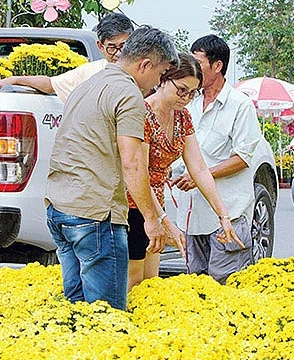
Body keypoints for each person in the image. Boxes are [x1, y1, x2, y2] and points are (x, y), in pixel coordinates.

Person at [45, 26, 179, 310]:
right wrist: (151, 221)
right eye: (160, 74)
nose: (157, 83)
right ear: (145, 64)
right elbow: (133, 164)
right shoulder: (128, 94)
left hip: (60, 208)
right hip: (95, 215)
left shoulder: (89, 84)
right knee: (106, 317)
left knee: (77, 313)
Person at [127, 53, 242, 291]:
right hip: (133, 202)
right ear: (163, 80)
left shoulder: (182, 117)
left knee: (151, 284)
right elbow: (139, 173)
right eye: (181, 90)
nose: (186, 98)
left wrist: (223, 215)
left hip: (154, 203)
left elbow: (199, 168)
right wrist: (163, 220)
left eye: (192, 93)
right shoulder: (143, 113)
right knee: (134, 282)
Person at [172, 34, 261, 285]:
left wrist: (201, 176)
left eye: (197, 63)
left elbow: (243, 158)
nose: (191, 68)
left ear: (217, 66)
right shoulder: (188, 102)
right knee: (196, 287)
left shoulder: (240, 105)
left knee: (227, 286)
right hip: (190, 215)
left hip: (227, 215)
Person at [0, 12, 134, 103]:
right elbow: (51, 84)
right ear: (100, 46)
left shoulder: (145, 69)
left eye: (123, 46)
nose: (118, 53)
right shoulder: (91, 72)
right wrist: (15, 80)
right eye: (112, 48)